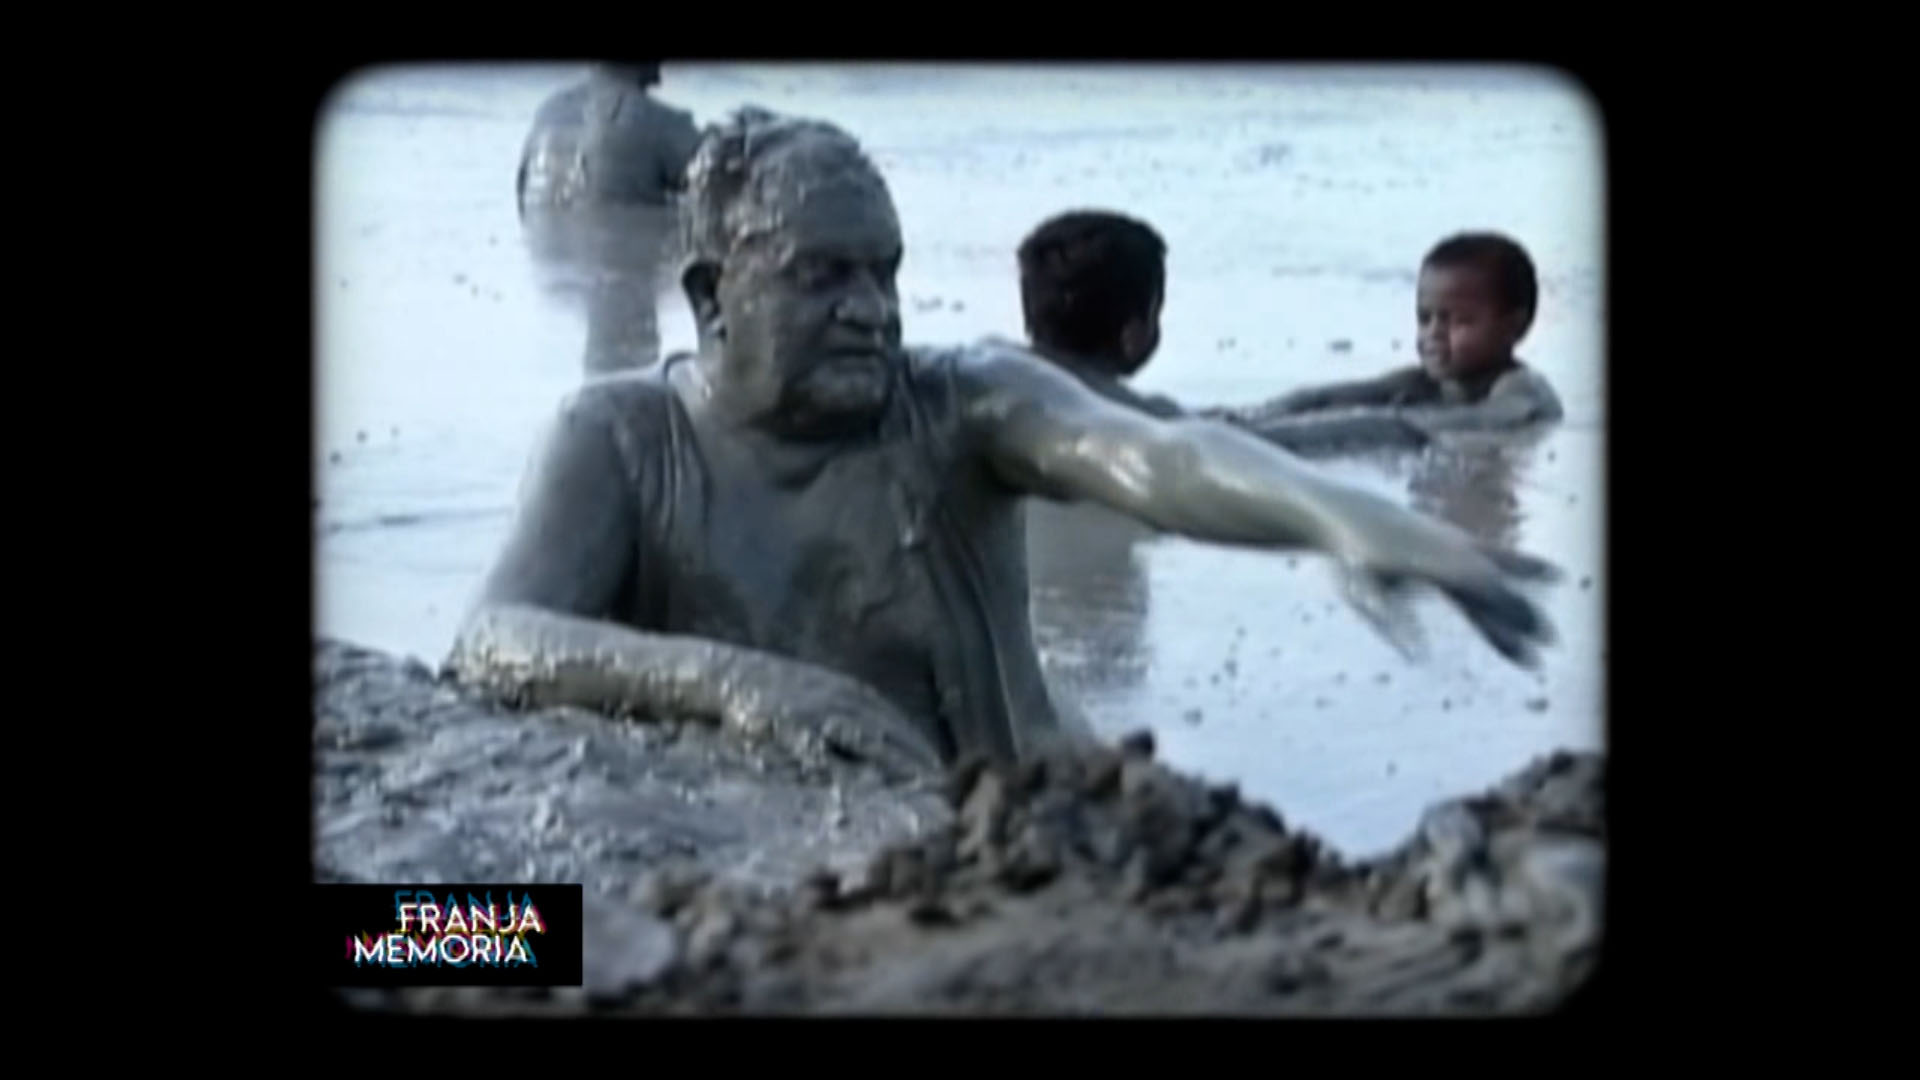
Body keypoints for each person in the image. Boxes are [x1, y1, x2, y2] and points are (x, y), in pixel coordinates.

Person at [446, 109, 1558, 783]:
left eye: (884, 272)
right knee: (384, 938)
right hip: (747, 837)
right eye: (822, 276)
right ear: (710, 297)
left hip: (1000, 834)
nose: (872, 311)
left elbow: (1163, 463)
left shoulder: (963, 399)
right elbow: (496, 639)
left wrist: (1348, 519)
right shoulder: (623, 437)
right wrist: (742, 687)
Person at [1012, 209, 1431, 456]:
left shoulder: (1008, 381)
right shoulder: (1129, 416)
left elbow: (1226, 420)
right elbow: (1261, 443)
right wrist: (1390, 426)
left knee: (1265, 409)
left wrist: (1365, 392)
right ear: (1133, 335)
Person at [1220, 233, 1564, 435]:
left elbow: (1481, 421)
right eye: (1424, 318)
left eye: (1456, 321)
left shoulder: (1522, 387)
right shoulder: (1424, 383)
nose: (1433, 335)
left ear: (1514, 326)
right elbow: (1325, 399)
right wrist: (1249, 417)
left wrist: (1294, 437)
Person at [517, 62, 702, 376]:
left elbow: (522, 198)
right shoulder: (661, 125)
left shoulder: (548, 114)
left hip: (558, 250)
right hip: (625, 269)